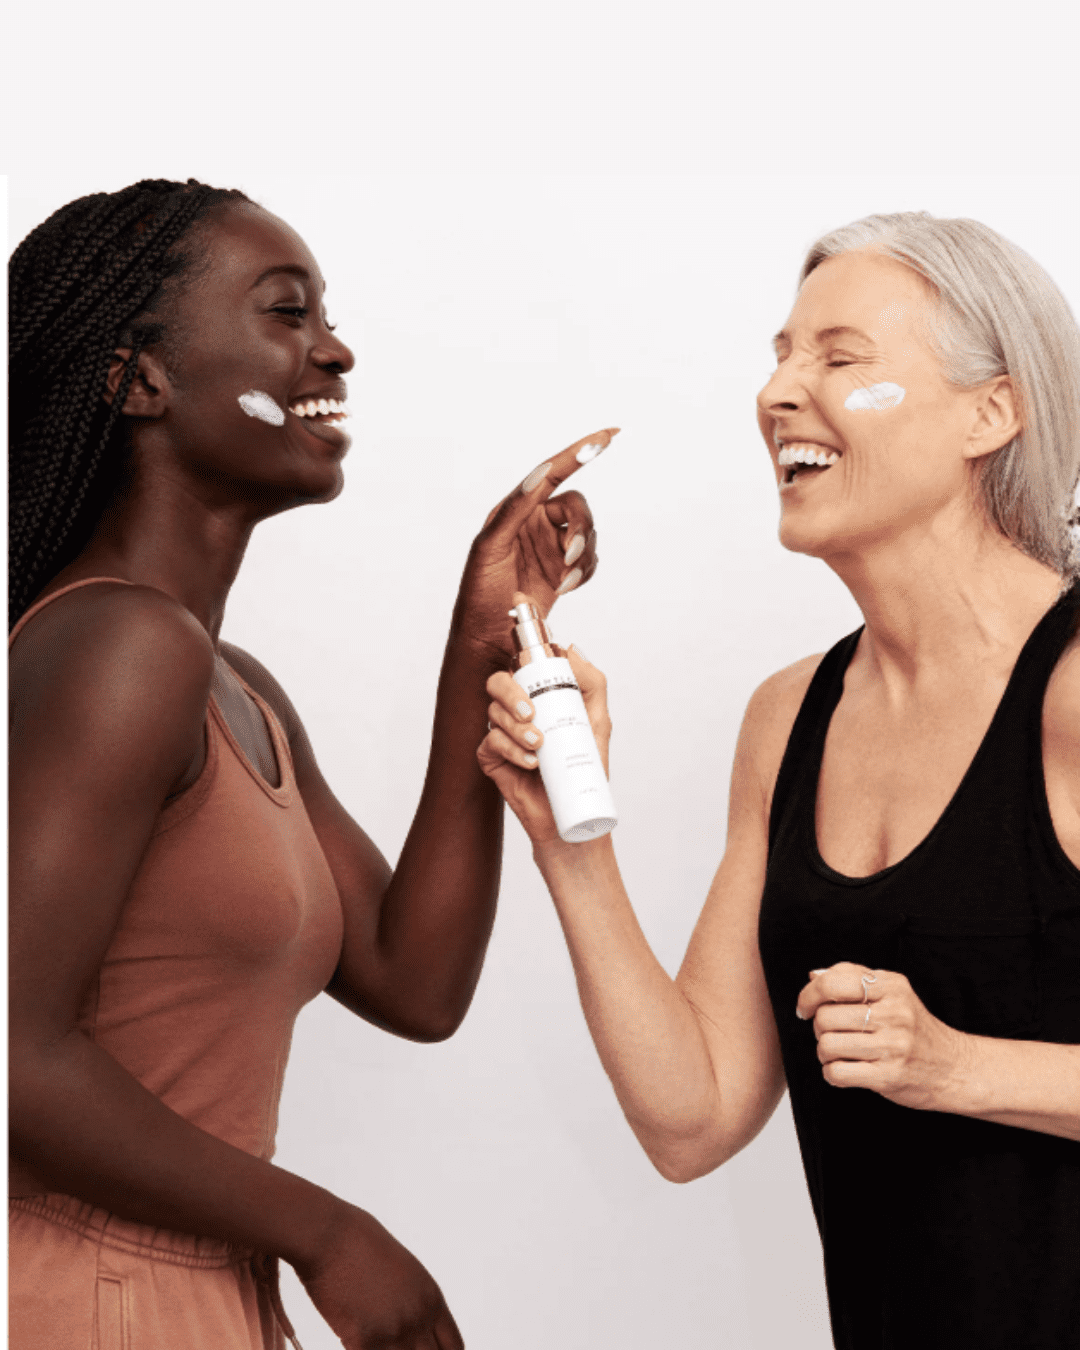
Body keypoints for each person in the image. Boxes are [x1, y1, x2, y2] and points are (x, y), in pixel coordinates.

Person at [8, 177, 613, 1350]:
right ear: (140, 375)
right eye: (286, 314)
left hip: (202, 1294)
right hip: (81, 1290)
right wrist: (331, 1234)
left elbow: (413, 980)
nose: (334, 351)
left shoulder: (234, 688)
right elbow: (6, 1054)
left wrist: (483, 637)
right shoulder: (118, 649)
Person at [479, 212, 1080, 1349]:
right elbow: (692, 1118)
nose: (779, 394)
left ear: (991, 412)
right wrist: (571, 844)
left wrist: (958, 1066)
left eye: (840, 359)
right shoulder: (793, 717)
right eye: (780, 356)